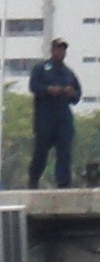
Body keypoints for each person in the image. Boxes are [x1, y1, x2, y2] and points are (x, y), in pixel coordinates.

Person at [28, 37, 81, 189]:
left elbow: (77, 96)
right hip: (45, 118)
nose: (61, 52)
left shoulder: (68, 73)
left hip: (63, 118)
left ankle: (63, 184)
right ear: (52, 50)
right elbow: (33, 87)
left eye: (63, 49)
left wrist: (72, 93)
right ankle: (33, 181)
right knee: (41, 152)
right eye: (58, 49)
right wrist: (48, 90)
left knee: (64, 152)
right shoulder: (41, 68)